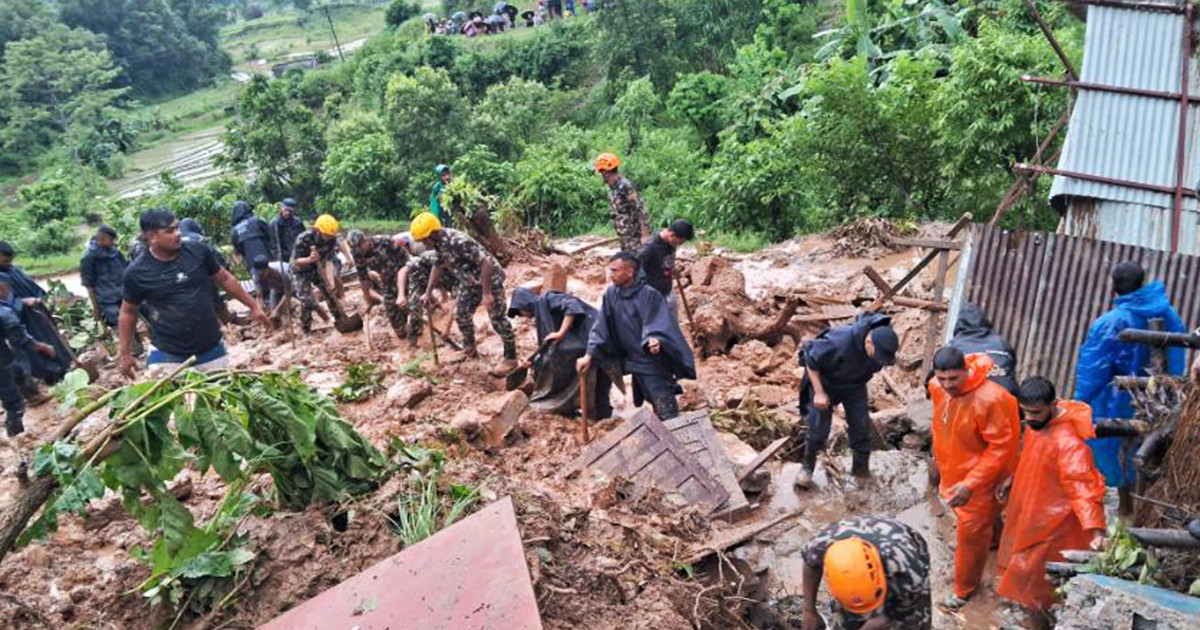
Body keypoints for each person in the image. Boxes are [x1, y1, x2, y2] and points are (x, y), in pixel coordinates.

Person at [1074, 262, 1185, 516]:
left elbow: (1093, 366)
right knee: (1151, 451)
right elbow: (1177, 355)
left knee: (1118, 451)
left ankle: (1127, 508)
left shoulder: (1110, 323)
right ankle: (1145, 509)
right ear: (1143, 282)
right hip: (1160, 396)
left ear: (1113, 287)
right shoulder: (1167, 314)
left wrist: (1080, 400)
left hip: (1119, 397)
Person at [997, 376, 1106, 617]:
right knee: (1023, 570)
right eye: (1025, 412)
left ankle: (1040, 617)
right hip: (1031, 509)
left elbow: (1084, 489)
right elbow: (1029, 456)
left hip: (1053, 526)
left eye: (1035, 412)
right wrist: (1011, 478)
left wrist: (1095, 529)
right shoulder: (1038, 426)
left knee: (1038, 582)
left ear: (1053, 404)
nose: (1030, 418)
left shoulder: (1070, 445)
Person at [118, 209, 269, 377]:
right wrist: (124, 353)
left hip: (211, 347)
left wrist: (254, 306)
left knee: (218, 398)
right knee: (175, 400)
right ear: (152, 236)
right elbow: (128, 312)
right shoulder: (137, 272)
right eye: (170, 230)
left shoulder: (197, 251)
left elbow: (225, 279)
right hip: (168, 354)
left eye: (177, 228)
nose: (177, 234)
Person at [928, 346, 1020, 608]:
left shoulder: (993, 399)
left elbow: (1002, 447)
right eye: (942, 378)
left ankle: (964, 589)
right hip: (954, 469)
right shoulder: (936, 388)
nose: (947, 385)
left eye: (953, 379)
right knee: (982, 526)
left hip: (982, 478)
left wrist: (971, 483)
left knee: (970, 534)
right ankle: (994, 541)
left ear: (966, 371)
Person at [577, 252, 695, 420]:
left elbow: (658, 324)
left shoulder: (650, 295)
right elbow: (600, 327)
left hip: (650, 361)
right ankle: (600, 415)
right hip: (628, 358)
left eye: (615, 271)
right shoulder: (610, 295)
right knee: (602, 369)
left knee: (664, 404)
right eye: (611, 271)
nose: (611, 275)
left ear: (630, 272)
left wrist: (655, 339)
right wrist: (588, 355)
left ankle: (676, 434)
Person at [795, 313, 900, 489]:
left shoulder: (882, 342)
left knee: (861, 428)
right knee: (818, 430)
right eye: (877, 355)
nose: (878, 360)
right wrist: (819, 392)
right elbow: (810, 358)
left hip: (855, 386)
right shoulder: (840, 340)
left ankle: (861, 471)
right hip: (826, 383)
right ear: (868, 342)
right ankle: (807, 467)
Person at [412, 212, 517, 375]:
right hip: (469, 282)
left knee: (497, 319)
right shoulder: (439, 244)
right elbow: (438, 265)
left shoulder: (457, 241)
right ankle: (469, 349)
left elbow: (486, 262)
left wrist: (487, 293)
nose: (424, 245)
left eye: (424, 240)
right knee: (461, 314)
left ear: (432, 234)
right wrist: (427, 292)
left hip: (490, 280)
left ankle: (511, 359)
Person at [800, 516, 931, 630]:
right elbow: (810, 563)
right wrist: (809, 610)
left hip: (901, 550)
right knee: (847, 621)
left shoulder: (909, 575)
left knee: (913, 622)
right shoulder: (819, 545)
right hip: (855, 541)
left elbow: (888, 617)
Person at [509, 287, 612, 417]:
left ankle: (601, 417)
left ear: (524, 305)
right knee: (597, 386)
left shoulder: (548, 299)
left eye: (520, 312)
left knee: (600, 383)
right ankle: (601, 420)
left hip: (598, 338)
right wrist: (533, 361)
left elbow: (572, 305)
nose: (523, 316)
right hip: (590, 344)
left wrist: (561, 332)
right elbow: (548, 345)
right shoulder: (542, 315)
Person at [0, 242, 72, 387]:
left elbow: (30, 285)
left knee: (53, 340)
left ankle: (65, 370)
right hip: (20, 320)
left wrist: (41, 298)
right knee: (35, 350)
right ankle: (51, 377)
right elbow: (5, 303)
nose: (9, 264)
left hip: (36, 314)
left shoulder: (12, 270)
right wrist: (23, 302)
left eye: (10, 260)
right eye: (5, 261)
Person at [0, 273, 57, 437]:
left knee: (17, 370)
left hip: (4, 354)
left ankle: (33, 395)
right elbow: (19, 337)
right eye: (7, 288)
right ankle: (17, 437)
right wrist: (42, 346)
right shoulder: (3, 312)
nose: (9, 291)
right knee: (13, 402)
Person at [930, 303, 1018, 396]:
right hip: (1006, 394)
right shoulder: (1001, 343)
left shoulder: (953, 346)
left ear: (958, 324)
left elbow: (934, 374)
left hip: (972, 398)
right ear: (984, 321)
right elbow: (1011, 367)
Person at [348, 229, 413, 339]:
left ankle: (416, 332)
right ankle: (402, 335)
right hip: (386, 279)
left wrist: (404, 279)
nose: (359, 251)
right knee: (391, 308)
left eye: (360, 246)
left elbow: (406, 258)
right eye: (355, 248)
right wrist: (368, 299)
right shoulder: (357, 254)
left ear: (366, 240)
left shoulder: (385, 241)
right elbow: (363, 278)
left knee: (408, 302)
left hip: (401, 271)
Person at [291, 214, 349, 333]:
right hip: (300, 270)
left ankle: (341, 320)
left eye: (330, 236)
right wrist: (309, 259)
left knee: (329, 293)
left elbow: (329, 260)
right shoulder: (304, 238)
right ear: (318, 230)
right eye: (326, 235)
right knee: (306, 300)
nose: (328, 238)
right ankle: (306, 329)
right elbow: (296, 261)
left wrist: (330, 280)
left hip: (317, 269)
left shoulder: (331, 239)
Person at [637, 219, 694, 321]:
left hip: (666, 290)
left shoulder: (670, 244)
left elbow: (666, 262)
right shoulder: (649, 249)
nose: (678, 245)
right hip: (652, 296)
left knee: (671, 323)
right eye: (679, 242)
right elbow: (638, 273)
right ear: (671, 235)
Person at [397, 250, 456, 346]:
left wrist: (447, 329)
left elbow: (457, 301)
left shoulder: (456, 273)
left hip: (444, 278)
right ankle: (412, 342)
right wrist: (401, 295)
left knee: (463, 309)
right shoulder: (425, 259)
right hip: (420, 278)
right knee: (414, 308)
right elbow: (402, 271)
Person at [594, 153, 650, 254]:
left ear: (606, 172)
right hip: (624, 235)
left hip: (633, 235)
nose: (601, 175)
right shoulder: (611, 187)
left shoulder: (625, 185)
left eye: (601, 172)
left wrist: (645, 234)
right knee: (627, 261)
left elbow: (640, 208)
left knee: (637, 260)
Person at [79, 224, 129, 327]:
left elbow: (126, 271)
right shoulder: (88, 257)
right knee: (120, 326)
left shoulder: (115, 252)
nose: (114, 243)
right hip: (107, 301)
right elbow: (89, 285)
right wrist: (96, 309)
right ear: (102, 239)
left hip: (123, 295)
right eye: (111, 240)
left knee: (131, 322)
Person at [231, 200, 273, 307]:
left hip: (251, 262)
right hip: (268, 258)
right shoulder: (257, 221)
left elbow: (238, 250)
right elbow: (270, 235)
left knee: (260, 285)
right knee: (274, 281)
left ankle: (265, 306)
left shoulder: (235, 231)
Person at [270, 198, 306, 263]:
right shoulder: (275, 224)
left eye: (290, 211)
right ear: (281, 208)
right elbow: (273, 245)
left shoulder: (298, 222)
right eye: (286, 210)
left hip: (298, 256)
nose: (288, 213)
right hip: (283, 259)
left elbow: (304, 238)